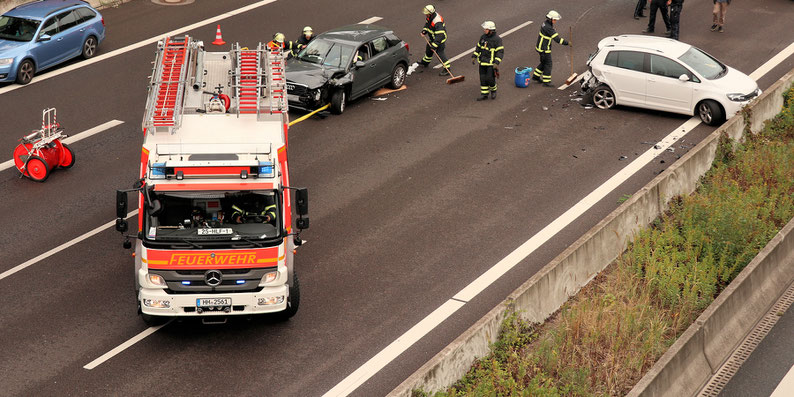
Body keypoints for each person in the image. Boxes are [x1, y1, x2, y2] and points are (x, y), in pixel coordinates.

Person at [532, 10, 570, 87]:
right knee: (548, 64)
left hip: (540, 47)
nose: (555, 21)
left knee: (543, 62)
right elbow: (557, 39)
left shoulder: (545, 23)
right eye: (555, 20)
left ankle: (535, 76)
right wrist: (567, 43)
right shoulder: (549, 28)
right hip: (544, 49)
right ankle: (546, 82)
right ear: (551, 19)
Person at [415, 5, 452, 76]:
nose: (425, 15)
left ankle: (447, 69)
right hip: (433, 38)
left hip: (439, 40)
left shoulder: (437, 21)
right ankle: (425, 62)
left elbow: (440, 35)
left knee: (440, 53)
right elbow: (427, 25)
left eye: (426, 13)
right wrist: (424, 31)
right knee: (428, 50)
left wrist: (435, 45)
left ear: (430, 13)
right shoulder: (429, 17)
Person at [472, 21, 504, 101]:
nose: (484, 30)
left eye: (486, 29)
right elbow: (478, 47)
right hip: (482, 62)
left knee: (490, 78)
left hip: (491, 63)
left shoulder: (497, 39)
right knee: (482, 79)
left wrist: (496, 63)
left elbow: (500, 52)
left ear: (491, 30)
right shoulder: (483, 37)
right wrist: (474, 56)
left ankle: (493, 90)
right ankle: (484, 94)